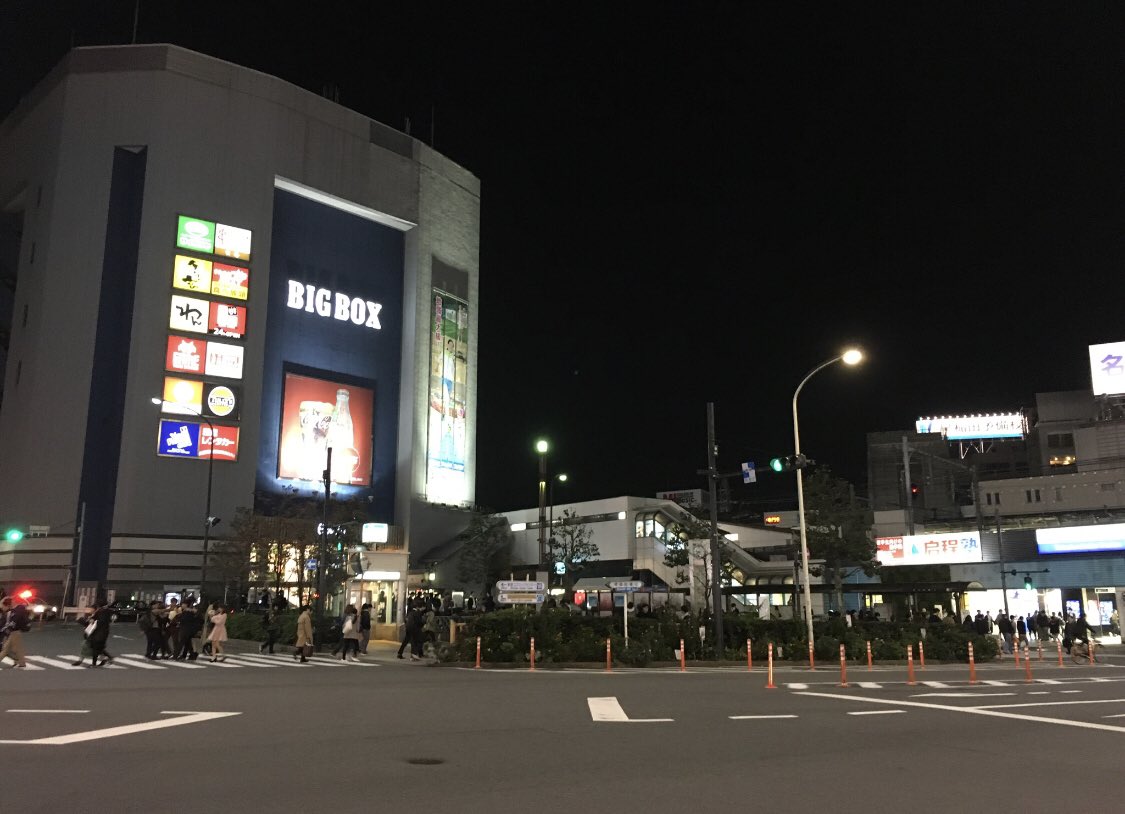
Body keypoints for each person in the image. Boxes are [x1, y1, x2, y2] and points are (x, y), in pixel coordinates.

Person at [0, 597, 29, 668]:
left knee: (6, 649)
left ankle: (21, 662)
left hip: (15, 631)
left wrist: (7, 629)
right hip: (15, 631)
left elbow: (13, 622)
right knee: (15, 649)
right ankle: (21, 662)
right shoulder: (15, 610)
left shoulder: (17, 611)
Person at [85, 600, 114, 667]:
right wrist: (92, 618)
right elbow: (95, 617)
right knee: (99, 647)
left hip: (100, 632)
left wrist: (93, 621)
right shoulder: (104, 611)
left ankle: (95, 663)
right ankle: (107, 658)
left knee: (96, 647)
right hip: (103, 631)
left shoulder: (103, 611)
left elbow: (99, 621)